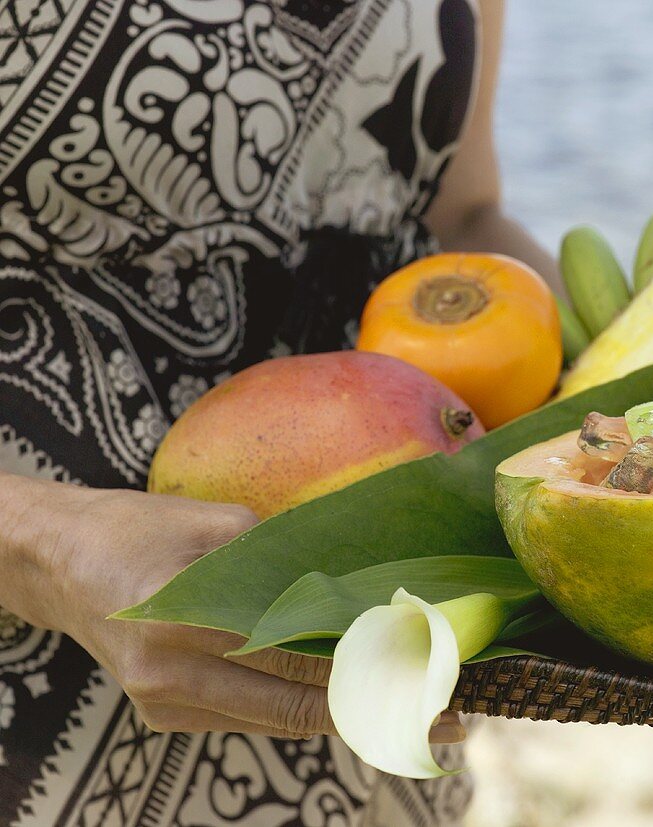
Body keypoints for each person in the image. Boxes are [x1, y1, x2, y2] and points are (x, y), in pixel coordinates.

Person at [0, 1, 554, 823]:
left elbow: (461, 212)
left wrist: (628, 374)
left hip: (379, 684)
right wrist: (45, 548)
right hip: (42, 695)